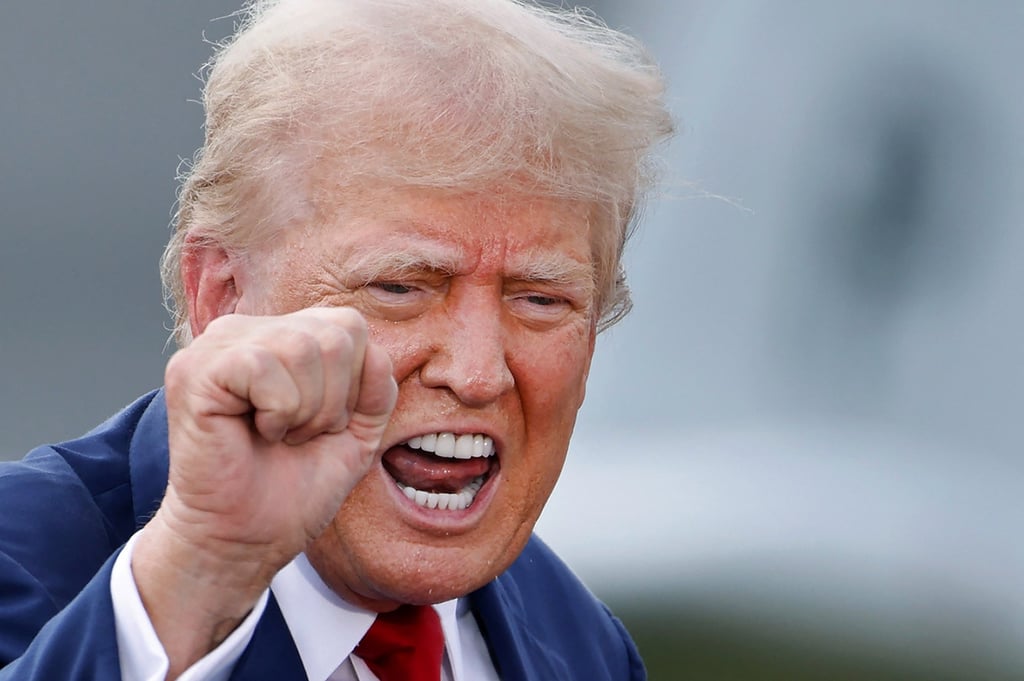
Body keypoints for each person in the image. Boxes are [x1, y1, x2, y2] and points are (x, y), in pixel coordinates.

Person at [0, 0, 673, 678]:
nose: (475, 373)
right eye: (402, 286)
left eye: (538, 299)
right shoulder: (20, 563)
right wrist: (201, 572)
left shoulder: (582, 642)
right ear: (221, 295)